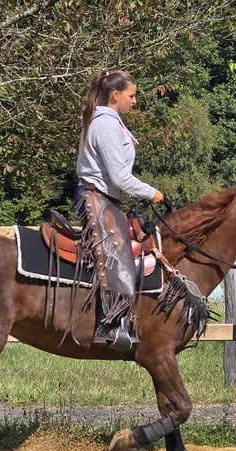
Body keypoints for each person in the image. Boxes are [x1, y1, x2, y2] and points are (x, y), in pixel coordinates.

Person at [75, 69, 165, 352]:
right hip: (98, 198)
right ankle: (113, 325)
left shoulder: (109, 122)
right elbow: (119, 178)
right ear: (115, 95)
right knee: (119, 254)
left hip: (107, 199)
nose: (134, 101)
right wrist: (152, 192)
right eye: (131, 95)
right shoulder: (106, 127)